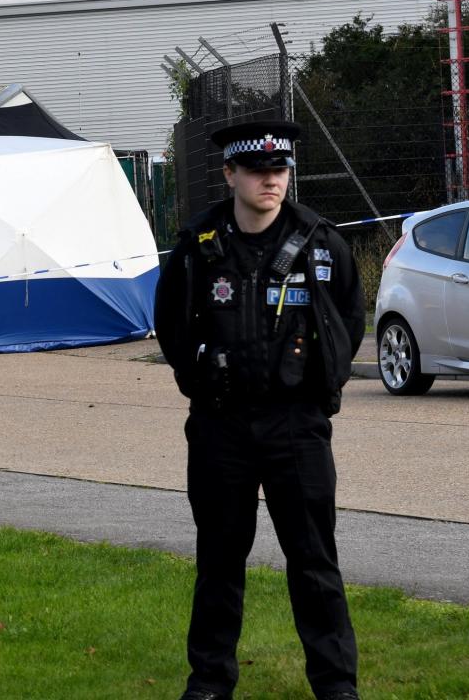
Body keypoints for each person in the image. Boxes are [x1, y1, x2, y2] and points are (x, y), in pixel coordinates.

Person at [154, 120, 364, 700]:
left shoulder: (322, 242)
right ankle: (210, 681)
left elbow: (349, 318)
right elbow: (170, 324)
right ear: (231, 174)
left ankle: (336, 684)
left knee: (314, 561)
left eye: (279, 170)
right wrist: (198, 376)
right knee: (219, 559)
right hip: (222, 425)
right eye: (257, 171)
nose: (270, 180)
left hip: (296, 425)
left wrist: (325, 386)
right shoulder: (199, 245)